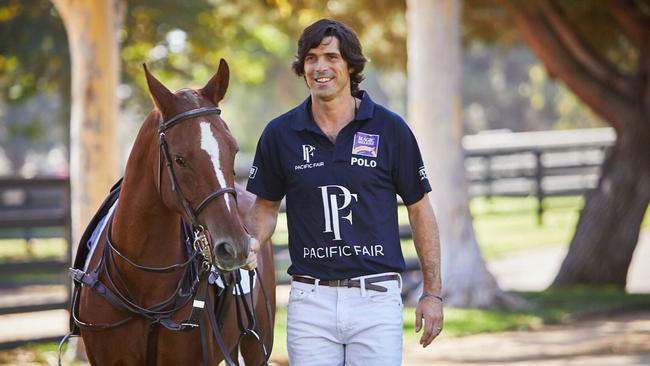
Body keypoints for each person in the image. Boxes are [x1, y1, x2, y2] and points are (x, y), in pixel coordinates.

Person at [244, 18, 443, 365]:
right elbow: (265, 208)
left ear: (350, 64)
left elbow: (420, 210)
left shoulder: (390, 129)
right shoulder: (280, 134)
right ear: (302, 67)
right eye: (311, 58)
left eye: (331, 57)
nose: (320, 67)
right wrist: (251, 242)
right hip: (310, 301)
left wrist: (433, 293)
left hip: (376, 299)